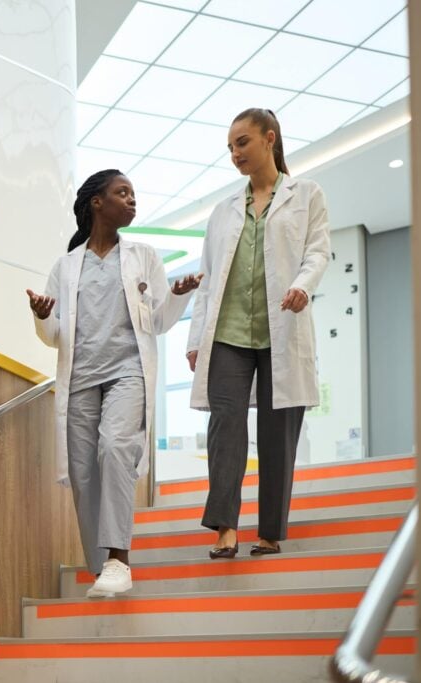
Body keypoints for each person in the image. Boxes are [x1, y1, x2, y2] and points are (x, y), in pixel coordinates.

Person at [28, 169, 201, 597]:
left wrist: (178, 295)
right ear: (96, 203)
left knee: (115, 449)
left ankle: (118, 559)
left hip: (127, 372)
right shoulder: (66, 266)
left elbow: (158, 321)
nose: (132, 200)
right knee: (84, 471)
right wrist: (43, 314)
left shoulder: (144, 256)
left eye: (134, 194)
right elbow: (52, 337)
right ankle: (100, 563)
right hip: (81, 378)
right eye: (122, 193)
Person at [185, 109, 330, 559]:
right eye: (230, 147)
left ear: (270, 139)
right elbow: (209, 278)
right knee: (224, 426)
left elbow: (318, 251)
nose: (234, 154)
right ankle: (225, 526)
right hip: (228, 333)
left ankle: (269, 531)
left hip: (281, 330)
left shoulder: (306, 195)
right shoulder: (224, 210)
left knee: (277, 430)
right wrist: (195, 339)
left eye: (242, 142)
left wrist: (302, 287)